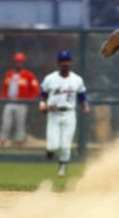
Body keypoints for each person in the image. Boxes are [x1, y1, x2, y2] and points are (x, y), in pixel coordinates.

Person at [39, 50, 90, 178]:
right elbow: (43, 97)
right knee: (53, 145)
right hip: (53, 113)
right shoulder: (50, 78)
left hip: (69, 113)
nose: (65, 63)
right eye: (62, 61)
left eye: (67, 61)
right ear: (58, 63)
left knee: (66, 144)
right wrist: (43, 106)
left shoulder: (77, 79)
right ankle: (50, 151)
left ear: (70, 62)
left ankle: (62, 168)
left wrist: (85, 107)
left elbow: (82, 96)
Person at [0, 53, 40, 148]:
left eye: (20, 62)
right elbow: (4, 88)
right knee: (6, 122)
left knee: (20, 123)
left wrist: (28, 99)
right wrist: (3, 97)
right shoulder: (9, 74)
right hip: (10, 101)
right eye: (17, 62)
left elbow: (36, 89)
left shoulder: (28, 75)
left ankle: (19, 141)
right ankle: (3, 140)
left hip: (21, 102)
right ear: (14, 62)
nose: (19, 64)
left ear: (23, 63)